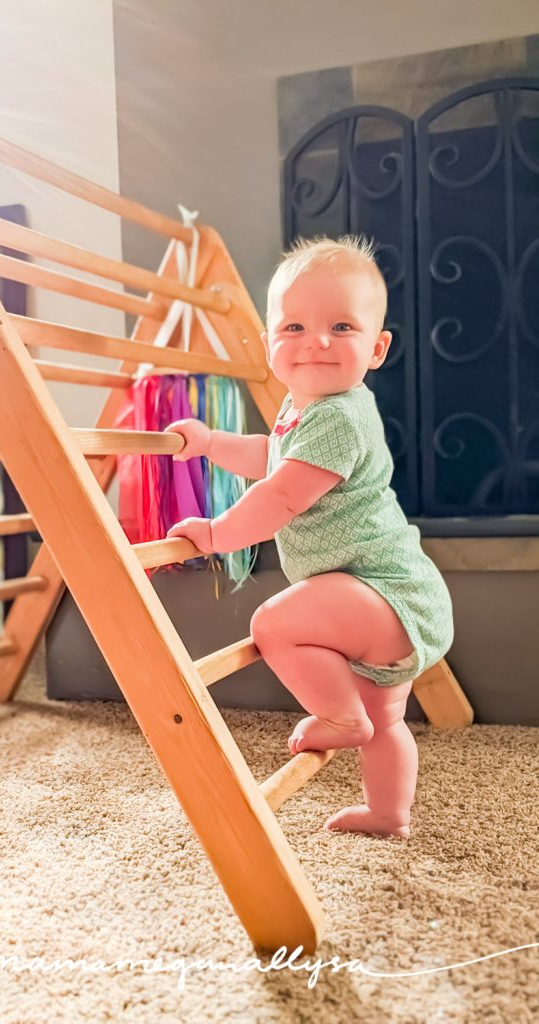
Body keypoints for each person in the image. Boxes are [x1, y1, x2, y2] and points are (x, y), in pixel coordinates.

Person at [164, 235, 454, 839]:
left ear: (376, 349)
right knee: (388, 718)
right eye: (293, 325)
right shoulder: (305, 412)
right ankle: (387, 813)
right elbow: (271, 457)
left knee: (274, 626)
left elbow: (280, 495)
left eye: (341, 326)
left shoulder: (338, 417)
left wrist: (217, 534)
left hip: (385, 590)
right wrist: (213, 443)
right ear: (269, 342)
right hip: (397, 602)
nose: (315, 340)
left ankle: (338, 716)